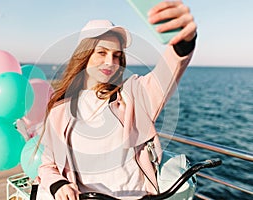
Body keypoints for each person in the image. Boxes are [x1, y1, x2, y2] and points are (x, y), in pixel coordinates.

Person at [36, 1, 197, 199]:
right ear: (84, 55)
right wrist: (58, 184)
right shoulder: (60, 111)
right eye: (102, 52)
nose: (110, 62)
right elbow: (47, 165)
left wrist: (184, 42)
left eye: (117, 56)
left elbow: (165, 74)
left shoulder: (133, 95)